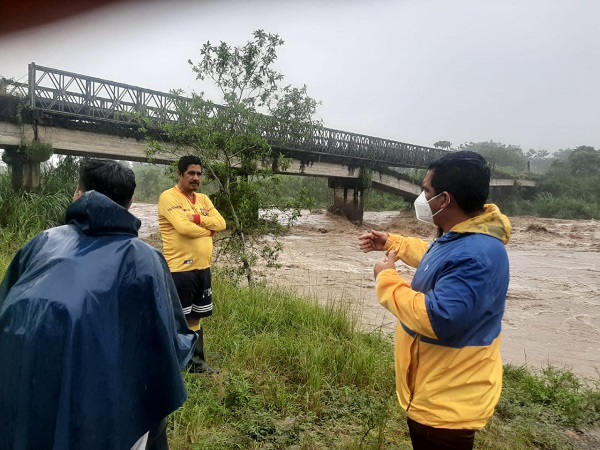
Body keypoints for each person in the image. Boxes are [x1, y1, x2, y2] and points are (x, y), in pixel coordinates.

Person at [0, 158, 196, 450]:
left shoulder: (41, 242)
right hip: (107, 406)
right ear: (129, 203)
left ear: (78, 193)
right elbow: (169, 341)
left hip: (21, 392)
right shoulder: (145, 259)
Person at [358, 151, 511, 450]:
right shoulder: (463, 236)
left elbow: (437, 318)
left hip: (446, 405)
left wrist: (386, 278)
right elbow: (437, 257)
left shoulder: (475, 255)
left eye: (426, 190)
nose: (421, 196)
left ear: (444, 200)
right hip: (438, 390)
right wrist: (393, 243)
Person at [158, 155, 226, 374]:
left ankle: (196, 363)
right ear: (180, 174)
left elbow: (222, 223)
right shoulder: (168, 197)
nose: (196, 178)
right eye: (191, 173)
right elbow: (183, 228)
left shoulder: (204, 199)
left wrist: (196, 219)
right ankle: (172, 366)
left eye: (198, 174)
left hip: (202, 268)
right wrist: (209, 230)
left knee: (196, 317)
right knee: (179, 317)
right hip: (179, 270)